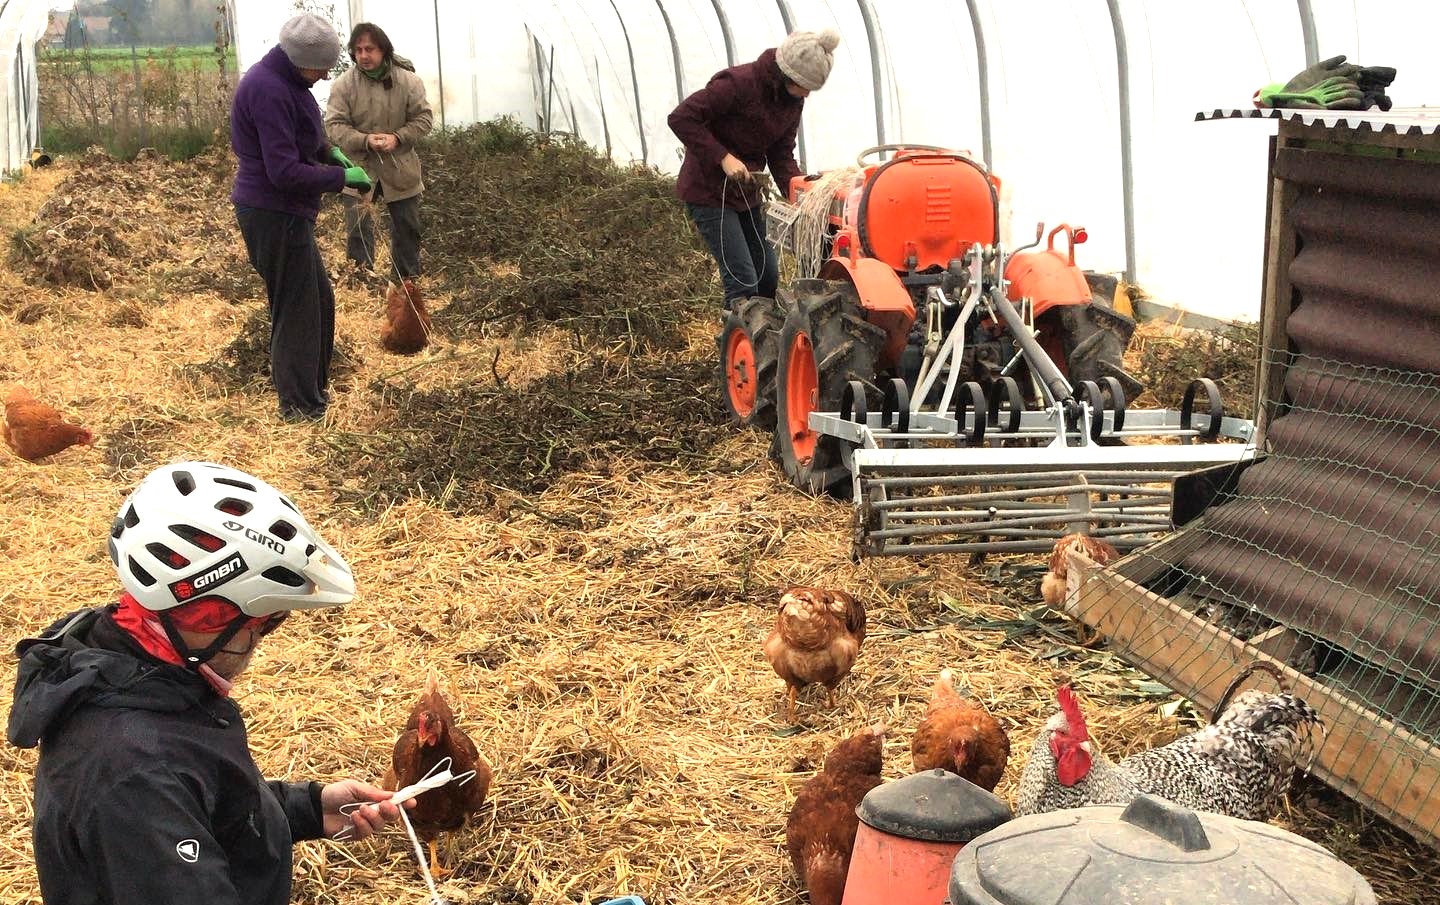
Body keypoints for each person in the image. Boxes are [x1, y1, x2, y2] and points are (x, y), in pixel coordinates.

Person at [7, 461, 408, 904]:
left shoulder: (142, 678)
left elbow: (200, 801)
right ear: (205, 617)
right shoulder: (133, 773)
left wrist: (308, 808)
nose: (259, 640)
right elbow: (163, 800)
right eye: (262, 623)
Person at [231, 13, 373, 422]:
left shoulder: (290, 82)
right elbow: (283, 171)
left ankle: (312, 393)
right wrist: (339, 176)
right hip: (273, 213)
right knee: (296, 309)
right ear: (301, 58)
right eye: (323, 66)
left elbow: (302, 135)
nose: (327, 74)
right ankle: (298, 407)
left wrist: (328, 151)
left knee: (316, 301)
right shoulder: (269, 90)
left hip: (285, 212)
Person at [668, 28, 841, 311]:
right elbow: (681, 118)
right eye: (805, 86)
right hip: (709, 191)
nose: (808, 94)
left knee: (767, 277)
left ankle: (763, 346)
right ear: (788, 76)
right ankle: (737, 347)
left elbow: (781, 153)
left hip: (747, 192)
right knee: (743, 282)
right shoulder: (736, 85)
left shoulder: (791, 102)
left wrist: (803, 194)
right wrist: (723, 157)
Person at [324, 22, 434, 291]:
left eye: (369, 49)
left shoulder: (408, 82)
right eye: (358, 50)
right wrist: (364, 140)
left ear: (383, 50)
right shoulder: (344, 85)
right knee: (358, 229)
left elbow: (424, 118)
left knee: (407, 227)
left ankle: (406, 282)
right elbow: (334, 125)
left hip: (401, 166)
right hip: (359, 167)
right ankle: (362, 282)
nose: (363, 55)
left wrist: (398, 137)